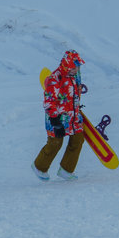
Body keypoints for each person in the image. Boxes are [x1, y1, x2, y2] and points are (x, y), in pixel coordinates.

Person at [33, 50, 86, 181]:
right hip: (57, 117)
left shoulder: (75, 76)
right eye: (75, 67)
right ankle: (39, 166)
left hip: (73, 116)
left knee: (78, 139)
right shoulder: (55, 79)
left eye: (78, 67)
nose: (77, 69)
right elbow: (49, 102)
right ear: (67, 65)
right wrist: (55, 122)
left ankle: (66, 169)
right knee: (55, 143)